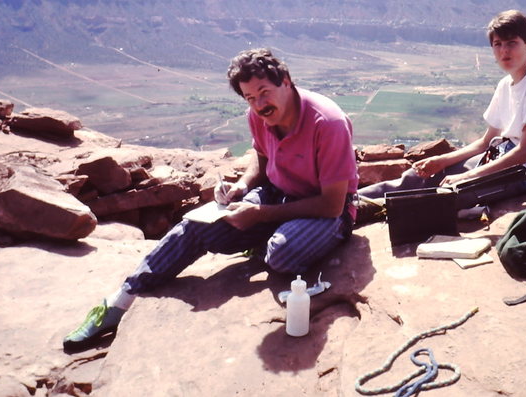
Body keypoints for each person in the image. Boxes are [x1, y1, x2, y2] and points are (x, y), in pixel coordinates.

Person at [63, 48, 358, 351]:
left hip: (325, 211)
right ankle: (120, 301)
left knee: (282, 255)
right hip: (277, 195)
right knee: (195, 226)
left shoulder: (327, 122)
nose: (259, 105)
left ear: (286, 80)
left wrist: (259, 215)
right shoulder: (257, 115)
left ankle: (267, 239)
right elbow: (261, 156)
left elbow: (332, 204)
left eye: (264, 92)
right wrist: (241, 187)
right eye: (249, 98)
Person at [358, 9, 526, 216]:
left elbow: (524, 153)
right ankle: (352, 201)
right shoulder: (505, 84)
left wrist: (467, 176)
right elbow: (486, 142)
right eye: (498, 44)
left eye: (512, 43)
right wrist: (442, 161)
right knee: (420, 176)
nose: (504, 51)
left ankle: (361, 212)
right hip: (501, 156)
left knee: (446, 196)